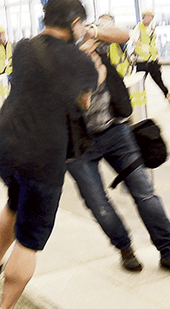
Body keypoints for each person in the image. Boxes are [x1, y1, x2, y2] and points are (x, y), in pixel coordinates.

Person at [0, 0, 99, 309]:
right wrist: (89, 64)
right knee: (29, 241)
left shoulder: (23, 47)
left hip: (6, 147)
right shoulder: (80, 61)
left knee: (13, 203)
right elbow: (83, 105)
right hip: (42, 157)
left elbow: (39, 78)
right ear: (76, 24)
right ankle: (5, 306)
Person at [66, 14, 170, 273]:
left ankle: (167, 249)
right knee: (98, 203)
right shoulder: (57, 56)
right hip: (78, 145)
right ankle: (124, 248)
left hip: (116, 131)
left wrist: (93, 32)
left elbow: (124, 35)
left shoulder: (92, 37)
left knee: (144, 192)